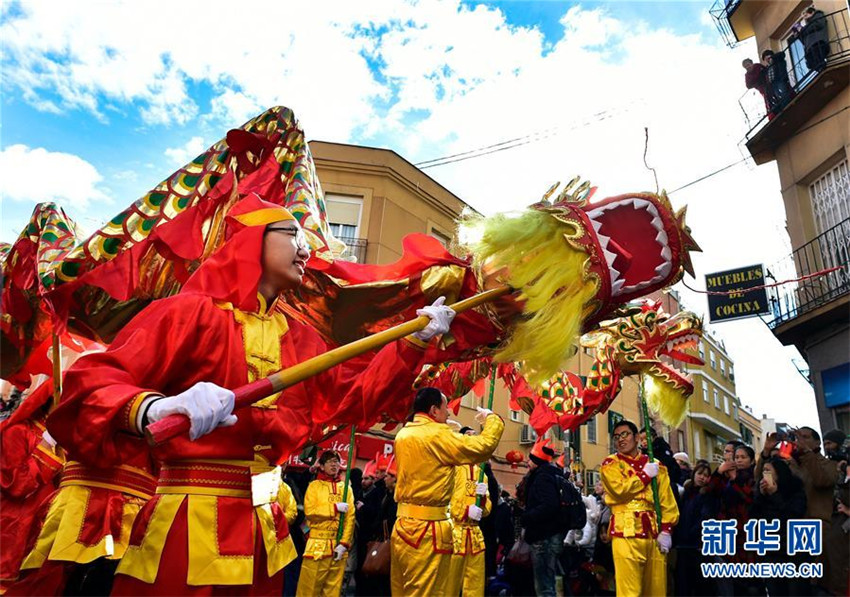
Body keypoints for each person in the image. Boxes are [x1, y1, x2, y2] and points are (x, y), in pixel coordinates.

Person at [43, 195, 458, 596]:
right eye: (294, 236)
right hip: (187, 522)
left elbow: (353, 398)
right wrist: (156, 406)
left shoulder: (301, 337)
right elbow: (91, 382)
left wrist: (413, 344)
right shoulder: (189, 312)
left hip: (265, 527)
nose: (305, 252)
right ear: (251, 239)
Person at [390, 387, 504, 596]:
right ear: (434, 410)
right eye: (445, 408)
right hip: (428, 529)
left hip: (403, 525)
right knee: (429, 591)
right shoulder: (436, 435)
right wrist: (492, 419)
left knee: (403, 589)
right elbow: (484, 446)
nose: (448, 413)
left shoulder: (404, 433)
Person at [0, 381, 65, 594]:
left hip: (40, 528)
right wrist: (46, 445)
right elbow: (19, 484)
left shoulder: (65, 442)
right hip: (12, 525)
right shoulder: (17, 432)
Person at [601, 420, 678, 597]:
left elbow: (667, 500)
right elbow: (619, 490)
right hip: (624, 531)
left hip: (653, 533)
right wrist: (644, 475)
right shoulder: (610, 464)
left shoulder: (656, 465)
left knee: (656, 589)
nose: (620, 439)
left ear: (637, 438)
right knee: (630, 591)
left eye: (625, 434)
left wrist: (666, 530)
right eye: (616, 437)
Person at [295, 450, 355, 597]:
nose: (334, 464)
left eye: (336, 461)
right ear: (321, 466)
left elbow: (350, 517)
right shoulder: (314, 486)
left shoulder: (345, 487)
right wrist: (333, 508)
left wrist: (344, 543)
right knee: (309, 589)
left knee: (333, 591)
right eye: (330, 461)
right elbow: (311, 512)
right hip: (317, 545)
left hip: (337, 547)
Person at [750, 457, 808, 596]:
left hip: (793, 553)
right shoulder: (761, 493)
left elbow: (793, 516)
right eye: (763, 471)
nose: (765, 475)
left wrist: (775, 494)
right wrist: (761, 497)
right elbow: (753, 517)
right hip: (771, 552)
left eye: (768, 471)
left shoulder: (795, 491)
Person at [447, 427, 490, 597]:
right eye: (469, 437)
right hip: (454, 534)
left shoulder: (482, 474)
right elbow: (445, 501)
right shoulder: (454, 468)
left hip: (475, 537)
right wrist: (465, 511)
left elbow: (486, 510)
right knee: (450, 583)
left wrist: (483, 500)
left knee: (475, 584)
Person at [520, 438, 565, 597]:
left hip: (543, 538)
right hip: (549, 536)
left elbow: (549, 505)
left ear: (536, 460)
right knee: (548, 582)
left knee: (544, 586)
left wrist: (527, 516)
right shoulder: (550, 474)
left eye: (530, 458)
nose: (527, 461)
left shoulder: (542, 477)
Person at [673, 462, 717, 596]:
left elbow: (704, 518)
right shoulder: (686, 493)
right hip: (682, 546)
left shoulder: (707, 495)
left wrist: (692, 534)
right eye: (699, 474)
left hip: (697, 546)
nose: (702, 478)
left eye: (706, 475)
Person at [355, 459, 386, 597]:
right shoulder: (361, 493)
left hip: (371, 540)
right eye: (362, 478)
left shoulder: (378, 494)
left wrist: (364, 509)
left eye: (366, 478)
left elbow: (376, 515)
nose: (363, 481)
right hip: (362, 539)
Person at [795, 6, 830, 72]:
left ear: (812, 12)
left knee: (819, 62)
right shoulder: (807, 26)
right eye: (803, 16)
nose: (805, 17)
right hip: (810, 47)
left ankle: (824, 70)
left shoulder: (818, 15)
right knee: (811, 64)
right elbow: (804, 41)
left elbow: (819, 24)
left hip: (818, 43)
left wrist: (802, 30)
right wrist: (798, 35)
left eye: (806, 14)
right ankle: (821, 71)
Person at [762, 49, 794, 115]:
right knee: (777, 95)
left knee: (783, 92)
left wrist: (773, 58)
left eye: (768, 57)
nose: (767, 60)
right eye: (766, 59)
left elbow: (782, 54)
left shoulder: (778, 61)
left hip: (779, 79)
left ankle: (787, 104)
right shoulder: (767, 68)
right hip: (773, 83)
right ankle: (783, 106)